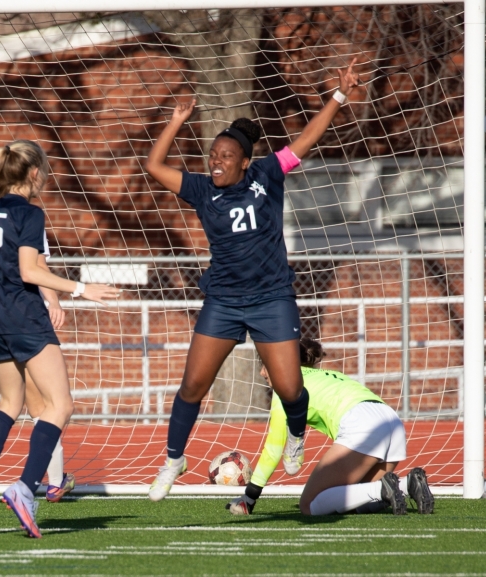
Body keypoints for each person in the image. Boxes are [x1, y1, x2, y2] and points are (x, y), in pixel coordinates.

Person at [143, 59, 362, 502]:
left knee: (288, 387)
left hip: (271, 299)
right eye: (213, 155)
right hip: (223, 301)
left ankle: (297, 434)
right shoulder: (203, 189)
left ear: (245, 161)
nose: (216, 162)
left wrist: (338, 97)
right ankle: (173, 460)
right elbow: (153, 165)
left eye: (226, 157)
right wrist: (175, 122)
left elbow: (306, 139)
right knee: (192, 386)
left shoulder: (267, 174)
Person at [0, 140, 120, 538]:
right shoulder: (28, 213)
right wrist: (81, 289)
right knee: (60, 405)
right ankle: (25, 489)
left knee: (9, 403)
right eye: (44, 171)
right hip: (24, 318)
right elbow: (31, 271)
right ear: (33, 174)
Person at [226, 338, 435, 516]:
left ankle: (385, 488)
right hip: (392, 423)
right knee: (354, 499)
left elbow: (273, 449)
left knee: (309, 505)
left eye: (266, 365)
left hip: (362, 424)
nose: (262, 373)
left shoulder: (286, 388)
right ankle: (407, 485)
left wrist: (250, 497)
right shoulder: (326, 374)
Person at [0, 231, 76, 503]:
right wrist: (55, 300)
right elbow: (36, 267)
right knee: (47, 403)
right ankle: (55, 481)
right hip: (21, 316)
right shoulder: (25, 216)